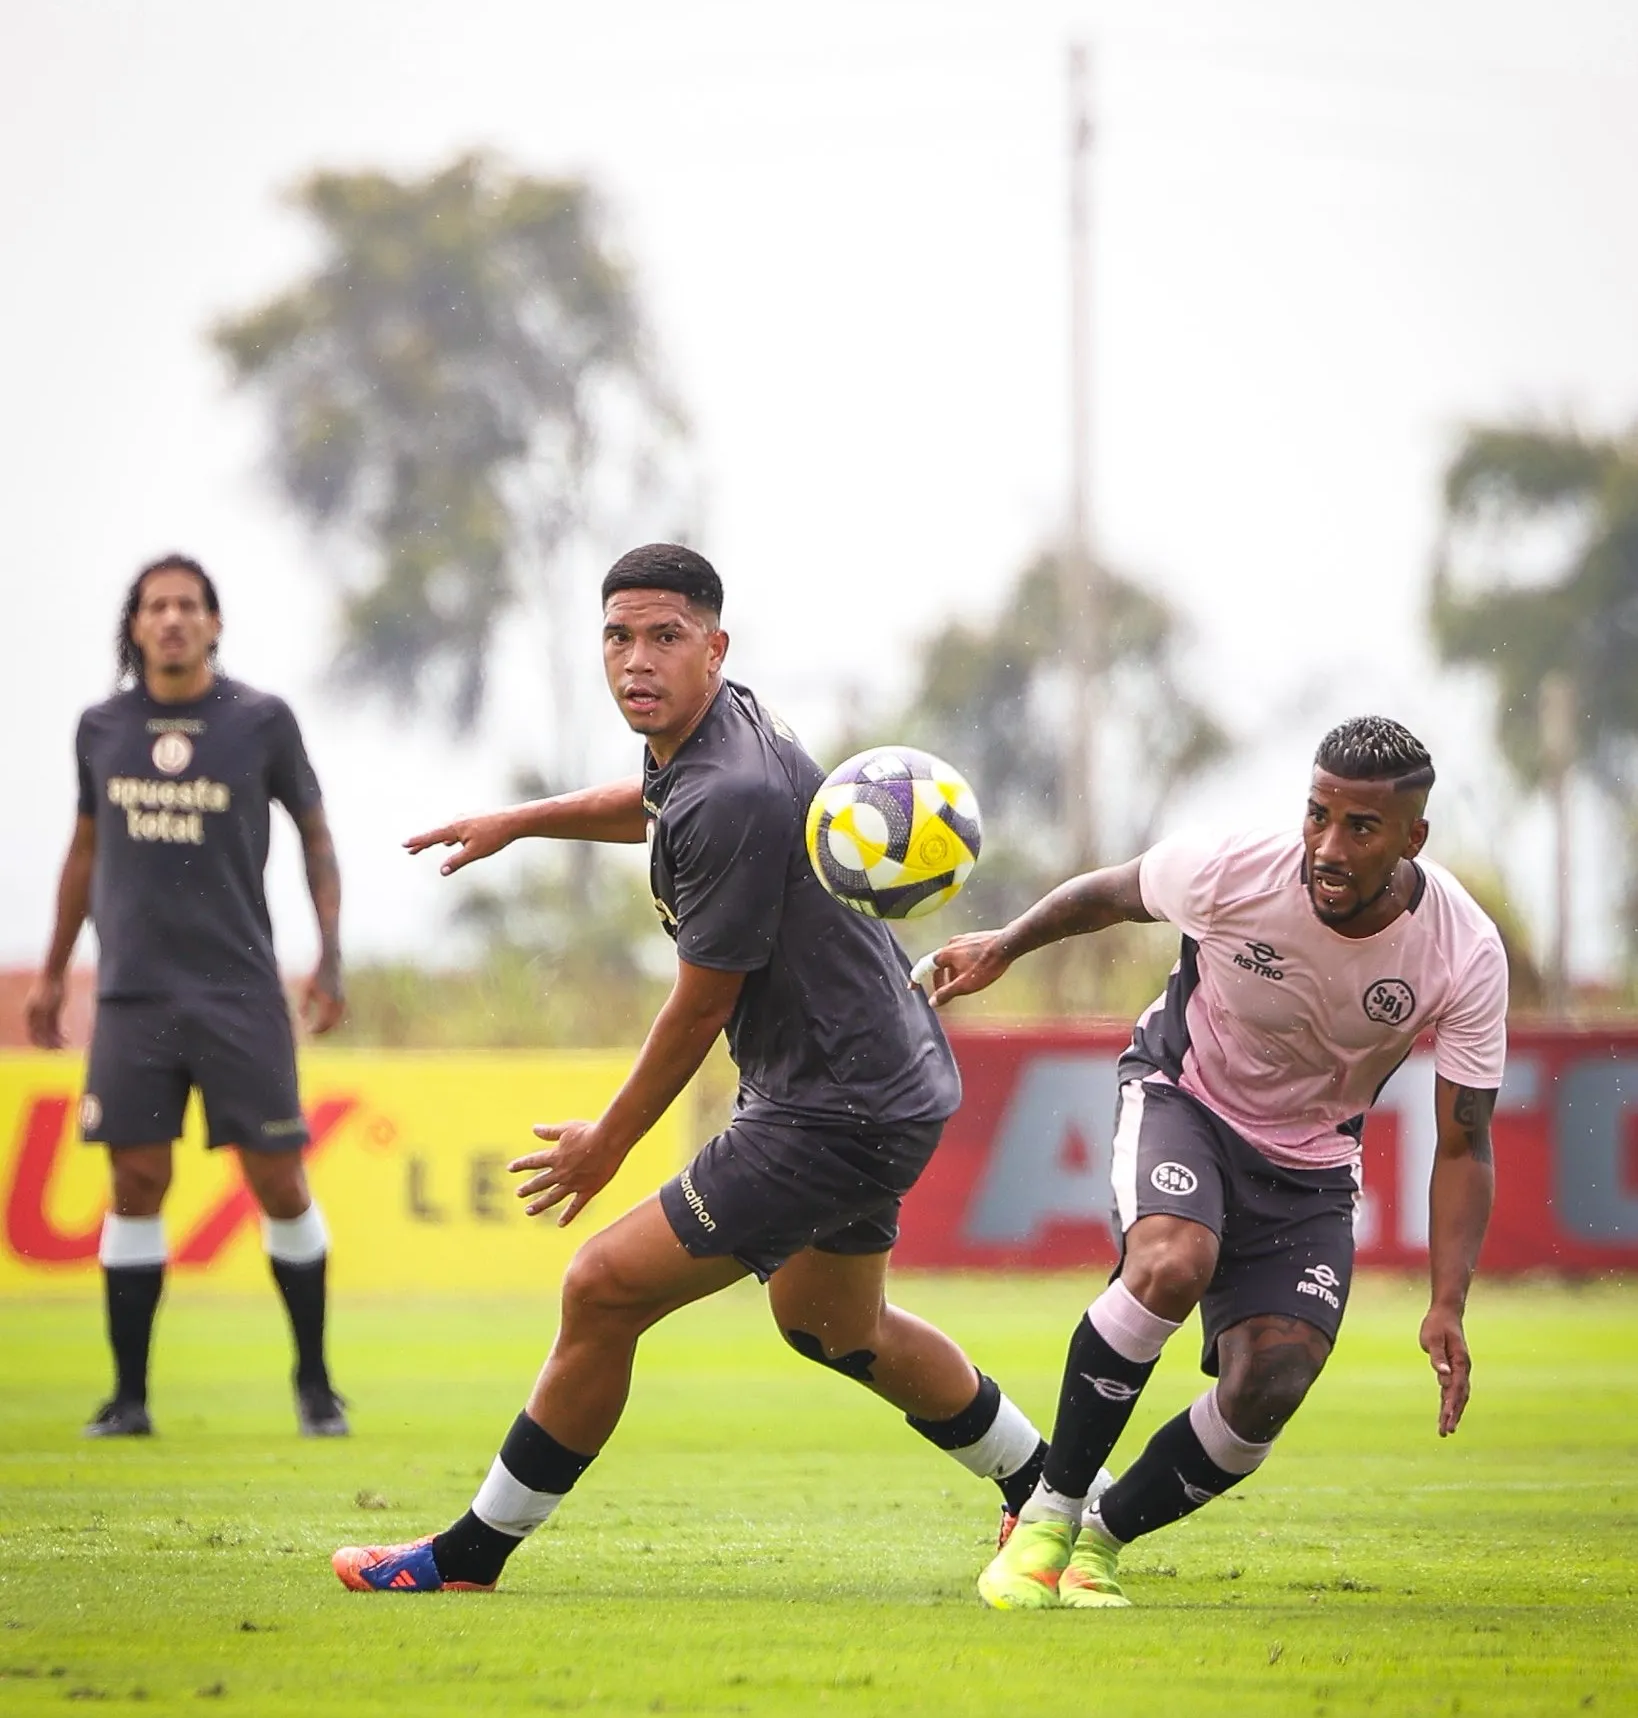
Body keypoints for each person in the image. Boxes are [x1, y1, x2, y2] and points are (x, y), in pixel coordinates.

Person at [333, 542, 1045, 1593]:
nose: (637, 659)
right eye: (618, 636)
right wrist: (522, 821)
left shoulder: (736, 790)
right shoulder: (718, 732)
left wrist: (606, 1143)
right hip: (882, 1083)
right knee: (834, 1324)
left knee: (603, 1286)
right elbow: (658, 802)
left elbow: (701, 1001)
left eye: (664, 637)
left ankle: (467, 1557)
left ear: (714, 646)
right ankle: (1053, 1488)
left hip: (831, 1106)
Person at [923, 717, 1507, 1609]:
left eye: (1360, 828)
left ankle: (1098, 1544)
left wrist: (1448, 1302)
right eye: (1318, 815)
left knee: (1274, 1378)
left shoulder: (1463, 952)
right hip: (1183, 1098)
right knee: (1172, 1262)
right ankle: (1045, 1515)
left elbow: (1464, 1142)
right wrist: (1003, 945)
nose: (1328, 846)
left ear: (1412, 838)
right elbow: (1112, 893)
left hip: (1312, 1163)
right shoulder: (1233, 868)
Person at [26, 555, 348, 1438]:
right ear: (135, 626)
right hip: (132, 995)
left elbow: (316, 837)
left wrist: (330, 955)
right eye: (155, 606)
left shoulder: (261, 722)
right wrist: (55, 973)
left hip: (239, 992)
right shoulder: (102, 728)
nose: (172, 619)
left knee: (278, 1180)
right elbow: (83, 853)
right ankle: (128, 1399)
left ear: (214, 623)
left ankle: (315, 1385)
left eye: (188, 606)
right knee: (136, 1180)